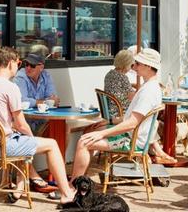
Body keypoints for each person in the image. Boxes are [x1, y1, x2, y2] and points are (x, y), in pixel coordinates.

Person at [0, 47, 75, 204]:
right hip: (2, 146)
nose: (20, 66)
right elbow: (21, 124)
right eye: (19, 63)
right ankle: (66, 193)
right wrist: (32, 139)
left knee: (23, 140)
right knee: (52, 144)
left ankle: (19, 190)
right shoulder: (10, 87)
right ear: (10, 63)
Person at [70, 48, 163, 179]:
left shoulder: (148, 92)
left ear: (148, 66)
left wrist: (102, 133)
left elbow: (131, 123)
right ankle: (78, 182)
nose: (134, 67)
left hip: (131, 140)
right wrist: (109, 122)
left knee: (84, 141)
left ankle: (73, 186)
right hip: (132, 136)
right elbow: (130, 119)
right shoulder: (151, 87)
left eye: (137, 63)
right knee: (88, 136)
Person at [104, 49, 176, 165]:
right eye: (133, 64)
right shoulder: (126, 79)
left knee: (149, 121)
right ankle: (157, 153)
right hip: (121, 112)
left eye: (136, 64)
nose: (134, 67)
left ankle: (155, 153)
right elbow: (131, 97)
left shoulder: (110, 74)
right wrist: (138, 91)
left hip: (114, 111)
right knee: (151, 122)